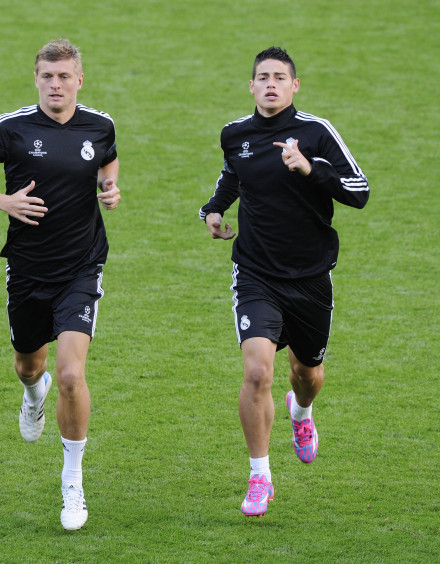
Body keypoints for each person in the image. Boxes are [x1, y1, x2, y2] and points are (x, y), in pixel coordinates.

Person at [0, 39, 120, 530]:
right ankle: (33, 394)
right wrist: (5, 203)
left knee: (73, 374)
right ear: (36, 78)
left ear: (79, 79)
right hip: (27, 268)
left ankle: (72, 481)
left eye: (64, 76)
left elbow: (106, 159)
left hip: (82, 267)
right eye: (47, 76)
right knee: (30, 365)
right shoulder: (11, 129)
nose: (56, 85)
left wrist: (110, 187)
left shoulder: (100, 124)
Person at [199, 46, 369, 517]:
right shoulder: (235, 134)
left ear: (294, 86)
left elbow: (360, 191)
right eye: (262, 77)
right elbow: (233, 176)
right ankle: (260, 476)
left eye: (280, 77)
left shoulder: (316, 133)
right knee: (256, 372)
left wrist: (311, 169)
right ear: (251, 86)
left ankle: (301, 411)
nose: (270, 83)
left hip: (311, 276)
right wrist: (213, 210)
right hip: (255, 271)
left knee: (307, 374)